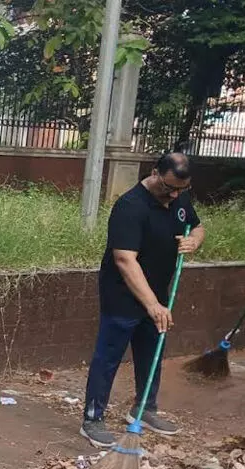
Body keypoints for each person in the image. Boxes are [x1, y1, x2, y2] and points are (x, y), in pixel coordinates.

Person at [80, 153, 205, 448]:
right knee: (109, 356)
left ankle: (144, 408)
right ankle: (93, 418)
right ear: (154, 173)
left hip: (159, 294)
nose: (174, 194)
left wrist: (194, 241)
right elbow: (124, 260)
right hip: (123, 296)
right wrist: (151, 304)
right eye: (169, 187)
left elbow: (197, 226)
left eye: (181, 189)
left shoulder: (179, 200)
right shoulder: (130, 206)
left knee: (152, 352)